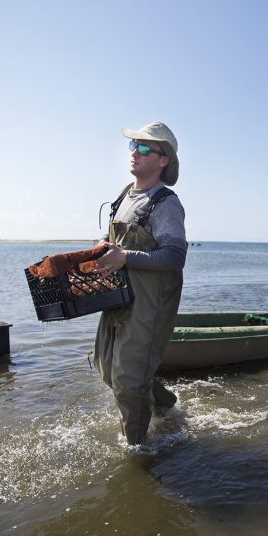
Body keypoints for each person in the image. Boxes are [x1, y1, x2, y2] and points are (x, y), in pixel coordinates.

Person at [93, 121, 187, 445]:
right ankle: (167, 405)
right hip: (118, 299)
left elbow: (175, 257)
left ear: (163, 160)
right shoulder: (125, 195)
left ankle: (136, 453)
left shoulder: (166, 204)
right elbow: (118, 242)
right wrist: (105, 246)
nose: (135, 152)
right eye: (133, 146)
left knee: (128, 383)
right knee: (107, 370)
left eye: (145, 147)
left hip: (149, 307)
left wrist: (126, 257)